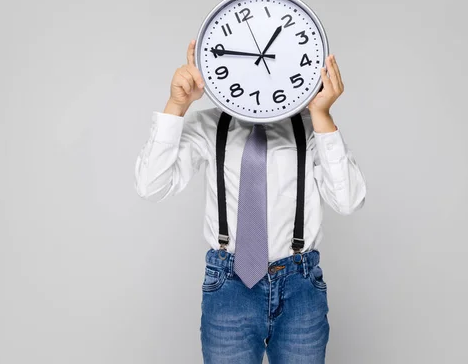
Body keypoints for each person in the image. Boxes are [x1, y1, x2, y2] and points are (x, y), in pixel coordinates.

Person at [134, 39, 366, 363]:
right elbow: (151, 185)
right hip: (228, 285)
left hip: (300, 285)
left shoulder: (312, 127)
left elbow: (349, 200)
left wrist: (322, 115)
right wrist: (177, 105)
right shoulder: (209, 125)